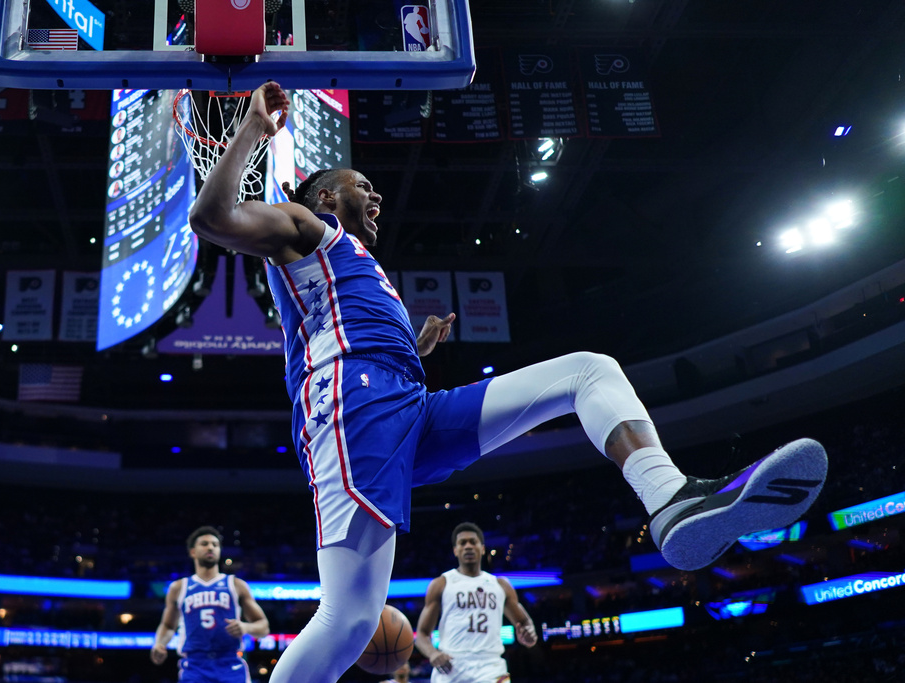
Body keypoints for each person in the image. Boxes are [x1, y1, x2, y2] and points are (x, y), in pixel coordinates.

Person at [186, 81, 828, 683]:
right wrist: (251, 129)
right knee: (350, 618)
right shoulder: (305, 229)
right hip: (355, 411)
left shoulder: (360, 266)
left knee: (588, 371)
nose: (376, 197)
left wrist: (414, 347)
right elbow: (211, 219)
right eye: (363, 186)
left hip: (407, 406)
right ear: (325, 198)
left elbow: (351, 335)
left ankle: (671, 500)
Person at [415, 523, 537, 683]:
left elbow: (525, 623)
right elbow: (421, 635)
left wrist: (529, 635)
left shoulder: (501, 585)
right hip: (452, 667)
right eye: (462, 543)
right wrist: (433, 654)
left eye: (473, 542)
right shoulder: (442, 583)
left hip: (491, 668)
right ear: (455, 550)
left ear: (483, 548)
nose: (468, 546)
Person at [150, 526, 270, 683]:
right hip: (194, 665)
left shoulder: (236, 584)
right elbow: (168, 626)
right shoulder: (179, 587)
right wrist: (159, 644)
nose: (210, 547)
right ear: (192, 551)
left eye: (215, 544)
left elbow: (263, 626)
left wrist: (245, 627)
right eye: (205, 544)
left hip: (229, 663)